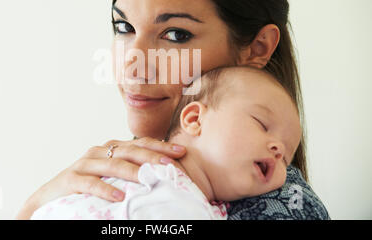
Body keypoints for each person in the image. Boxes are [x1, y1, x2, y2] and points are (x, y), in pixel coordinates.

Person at [16, 0, 329, 220]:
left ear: (257, 48)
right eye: (123, 27)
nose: (133, 65)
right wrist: (35, 205)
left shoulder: (285, 209)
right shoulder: (107, 181)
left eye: (176, 35)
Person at [30, 66, 301, 220]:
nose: (277, 150)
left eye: (287, 156)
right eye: (261, 124)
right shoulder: (167, 189)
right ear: (194, 119)